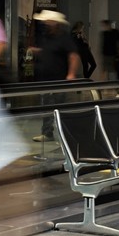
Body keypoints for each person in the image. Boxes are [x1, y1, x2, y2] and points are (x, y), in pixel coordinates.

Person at [30, 10, 78, 142]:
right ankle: (47, 133)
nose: (45, 23)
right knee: (45, 106)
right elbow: (48, 52)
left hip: (59, 79)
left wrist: (71, 74)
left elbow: (73, 56)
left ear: (55, 23)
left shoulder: (64, 37)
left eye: (48, 21)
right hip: (44, 78)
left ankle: (65, 134)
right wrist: (37, 52)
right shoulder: (45, 36)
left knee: (60, 106)